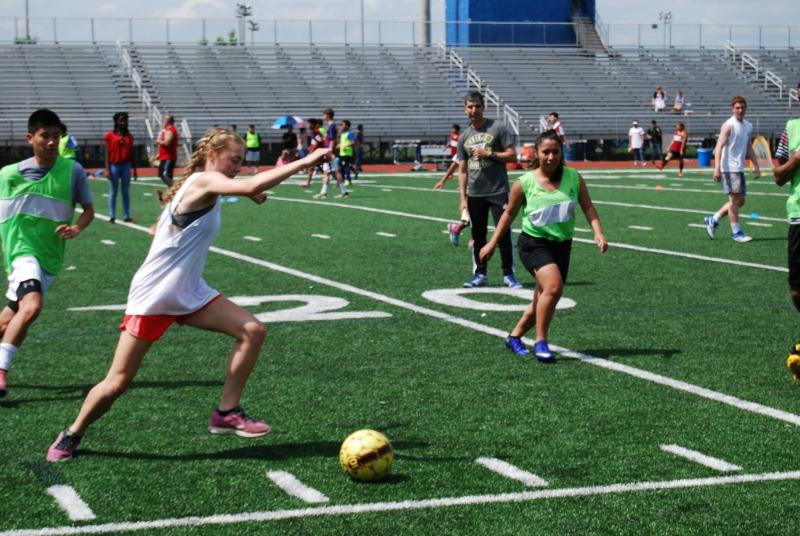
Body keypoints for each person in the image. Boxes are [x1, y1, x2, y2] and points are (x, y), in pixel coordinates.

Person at [45, 128, 330, 462]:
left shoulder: (205, 183)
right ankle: (72, 432)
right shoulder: (202, 181)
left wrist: (247, 191)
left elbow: (234, 191)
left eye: (240, 161)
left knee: (252, 330)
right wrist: (308, 159)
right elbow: (249, 184)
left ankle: (226, 412)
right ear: (213, 155)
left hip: (189, 291)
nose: (237, 167)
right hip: (156, 295)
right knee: (118, 381)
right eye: (233, 160)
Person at [479, 129, 607, 361]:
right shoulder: (524, 182)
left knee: (544, 296)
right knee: (554, 288)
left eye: (555, 152)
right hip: (533, 244)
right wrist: (491, 243)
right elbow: (507, 215)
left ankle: (515, 336)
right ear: (536, 153)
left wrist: (598, 232)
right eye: (545, 152)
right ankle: (541, 341)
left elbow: (587, 206)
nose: (551, 157)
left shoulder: (573, 177)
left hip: (562, 245)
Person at [0, 109, 95, 398]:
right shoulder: (7, 175)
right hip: (21, 254)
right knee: (32, 307)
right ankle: (1, 370)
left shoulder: (73, 171)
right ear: (31, 138)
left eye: (57, 136)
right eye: (46, 136)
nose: (52, 142)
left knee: (7, 320)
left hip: (50, 258)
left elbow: (89, 211)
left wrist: (77, 228)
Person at [457, 91, 521, 288]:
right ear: (465, 109)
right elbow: (462, 170)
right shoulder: (464, 136)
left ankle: (508, 274)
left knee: (503, 234)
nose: (473, 110)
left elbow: (512, 156)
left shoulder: (498, 128)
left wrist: (489, 153)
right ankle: (480, 274)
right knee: (478, 235)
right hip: (475, 193)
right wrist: (463, 199)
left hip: (498, 190)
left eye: (477, 106)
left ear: (483, 107)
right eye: (470, 107)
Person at [704, 96, 761, 243]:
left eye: (742, 107)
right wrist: (717, 169)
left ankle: (714, 218)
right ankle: (736, 233)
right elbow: (718, 148)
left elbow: (749, 147)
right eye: (737, 107)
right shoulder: (728, 125)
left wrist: (756, 166)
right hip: (729, 168)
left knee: (740, 201)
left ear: (746, 109)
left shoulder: (748, 126)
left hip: (739, 168)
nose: (740, 110)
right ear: (732, 109)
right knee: (735, 201)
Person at [774, 116, 800, 379]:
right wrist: (794, 161)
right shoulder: (791, 130)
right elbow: (778, 177)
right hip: (797, 216)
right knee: (796, 291)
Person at [103, 112, 137, 223]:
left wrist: (135, 169)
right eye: (121, 120)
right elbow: (107, 153)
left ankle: (126, 215)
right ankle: (112, 215)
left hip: (126, 165)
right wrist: (107, 169)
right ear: (116, 121)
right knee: (113, 191)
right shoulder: (110, 135)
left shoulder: (129, 136)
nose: (123, 122)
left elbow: (132, 153)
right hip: (114, 165)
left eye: (125, 120)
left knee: (125, 191)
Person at [314, 108, 350, 199]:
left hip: (329, 152)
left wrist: (330, 151)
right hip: (328, 152)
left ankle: (344, 191)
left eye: (324, 115)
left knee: (334, 171)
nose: (323, 117)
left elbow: (333, 140)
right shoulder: (330, 126)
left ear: (328, 115)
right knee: (327, 172)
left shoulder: (332, 126)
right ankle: (324, 192)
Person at [433, 124, 461, 190]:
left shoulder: (459, 137)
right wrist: (446, 147)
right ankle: (451, 176)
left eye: (454, 129)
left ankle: (460, 184)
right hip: (453, 155)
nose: (452, 130)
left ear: (457, 130)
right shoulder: (451, 136)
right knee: (456, 169)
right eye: (452, 129)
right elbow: (450, 143)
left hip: (458, 154)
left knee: (459, 170)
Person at [156, 114, 179, 187]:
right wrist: (158, 154)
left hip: (168, 157)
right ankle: (171, 191)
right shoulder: (167, 130)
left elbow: (167, 143)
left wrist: (158, 141)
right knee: (163, 175)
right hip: (164, 156)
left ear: (167, 121)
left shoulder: (170, 130)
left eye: (164, 120)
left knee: (165, 175)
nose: (163, 122)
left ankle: (174, 189)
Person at [337, 120, 357, 186]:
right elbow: (342, 143)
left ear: (347, 126)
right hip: (342, 153)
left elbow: (353, 142)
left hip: (347, 153)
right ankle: (342, 180)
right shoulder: (343, 134)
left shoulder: (350, 133)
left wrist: (345, 146)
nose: (341, 126)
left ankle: (348, 180)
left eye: (342, 125)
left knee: (345, 166)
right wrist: (338, 146)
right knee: (340, 167)